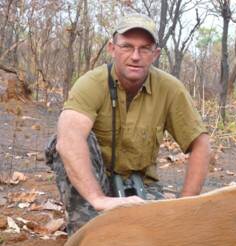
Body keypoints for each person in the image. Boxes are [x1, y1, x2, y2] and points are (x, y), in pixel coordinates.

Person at [45, 13, 211, 233]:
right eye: (127, 47)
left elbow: (200, 143)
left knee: (162, 237)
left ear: (155, 54)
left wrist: (185, 206)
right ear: (112, 49)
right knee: (95, 241)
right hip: (96, 185)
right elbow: (68, 138)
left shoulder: (171, 89)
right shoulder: (91, 83)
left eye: (144, 49)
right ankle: (84, 221)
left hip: (140, 186)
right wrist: (98, 199)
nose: (135, 56)